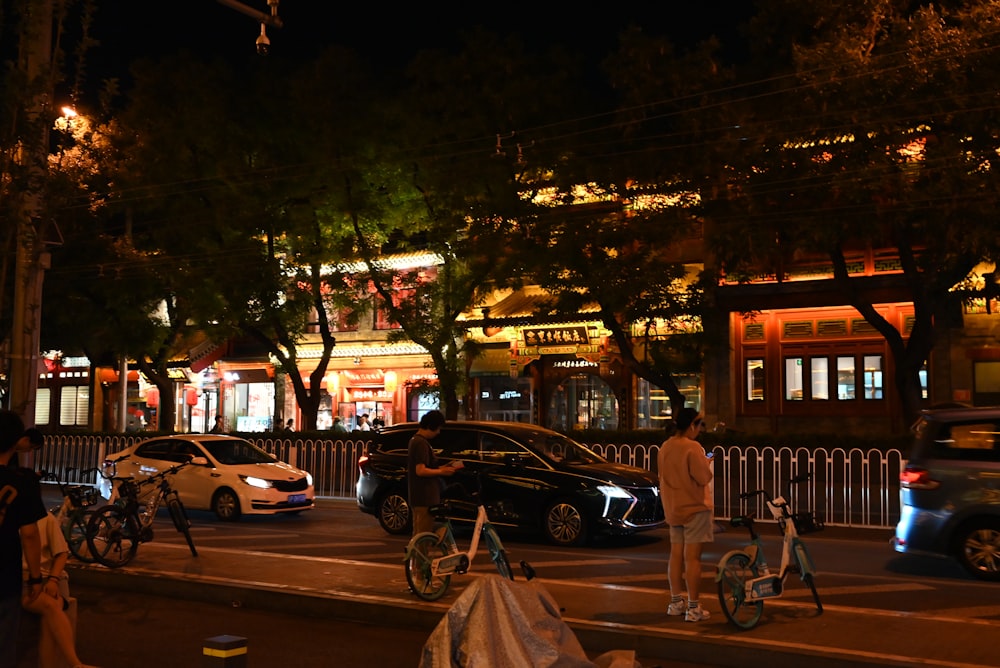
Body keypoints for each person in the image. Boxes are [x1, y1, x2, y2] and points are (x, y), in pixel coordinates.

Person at [0, 411, 47, 668]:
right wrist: (36, 577)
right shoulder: (22, 482)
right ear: (16, 441)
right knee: (4, 641)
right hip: (5, 574)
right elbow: (30, 534)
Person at [658, 407, 713, 623]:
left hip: (673, 508)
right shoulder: (693, 447)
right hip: (694, 508)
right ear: (692, 425)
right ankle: (693, 608)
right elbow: (703, 477)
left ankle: (675, 602)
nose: (700, 430)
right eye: (699, 425)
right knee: (693, 559)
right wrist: (707, 461)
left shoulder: (665, 447)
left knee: (675, 555)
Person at [21, 512, 95, 668]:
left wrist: (53, 580)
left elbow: (61, 553)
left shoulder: (46, 518)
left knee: (52, 607)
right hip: (24, 580)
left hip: (50, 576)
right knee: (51, 607)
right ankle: (75, 663)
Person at [406, 410, 459, 537]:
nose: (438, 432)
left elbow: (426, 468)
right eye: (438, 429)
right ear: (431, 426)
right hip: (424, 496)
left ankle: (416, 556)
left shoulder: (416, 440)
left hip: (421, 496)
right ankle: (419, 557)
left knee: (420, 534)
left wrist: (442, 467)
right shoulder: (420, 443)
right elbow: (420, 470)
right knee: (422, 535)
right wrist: (441, 471)